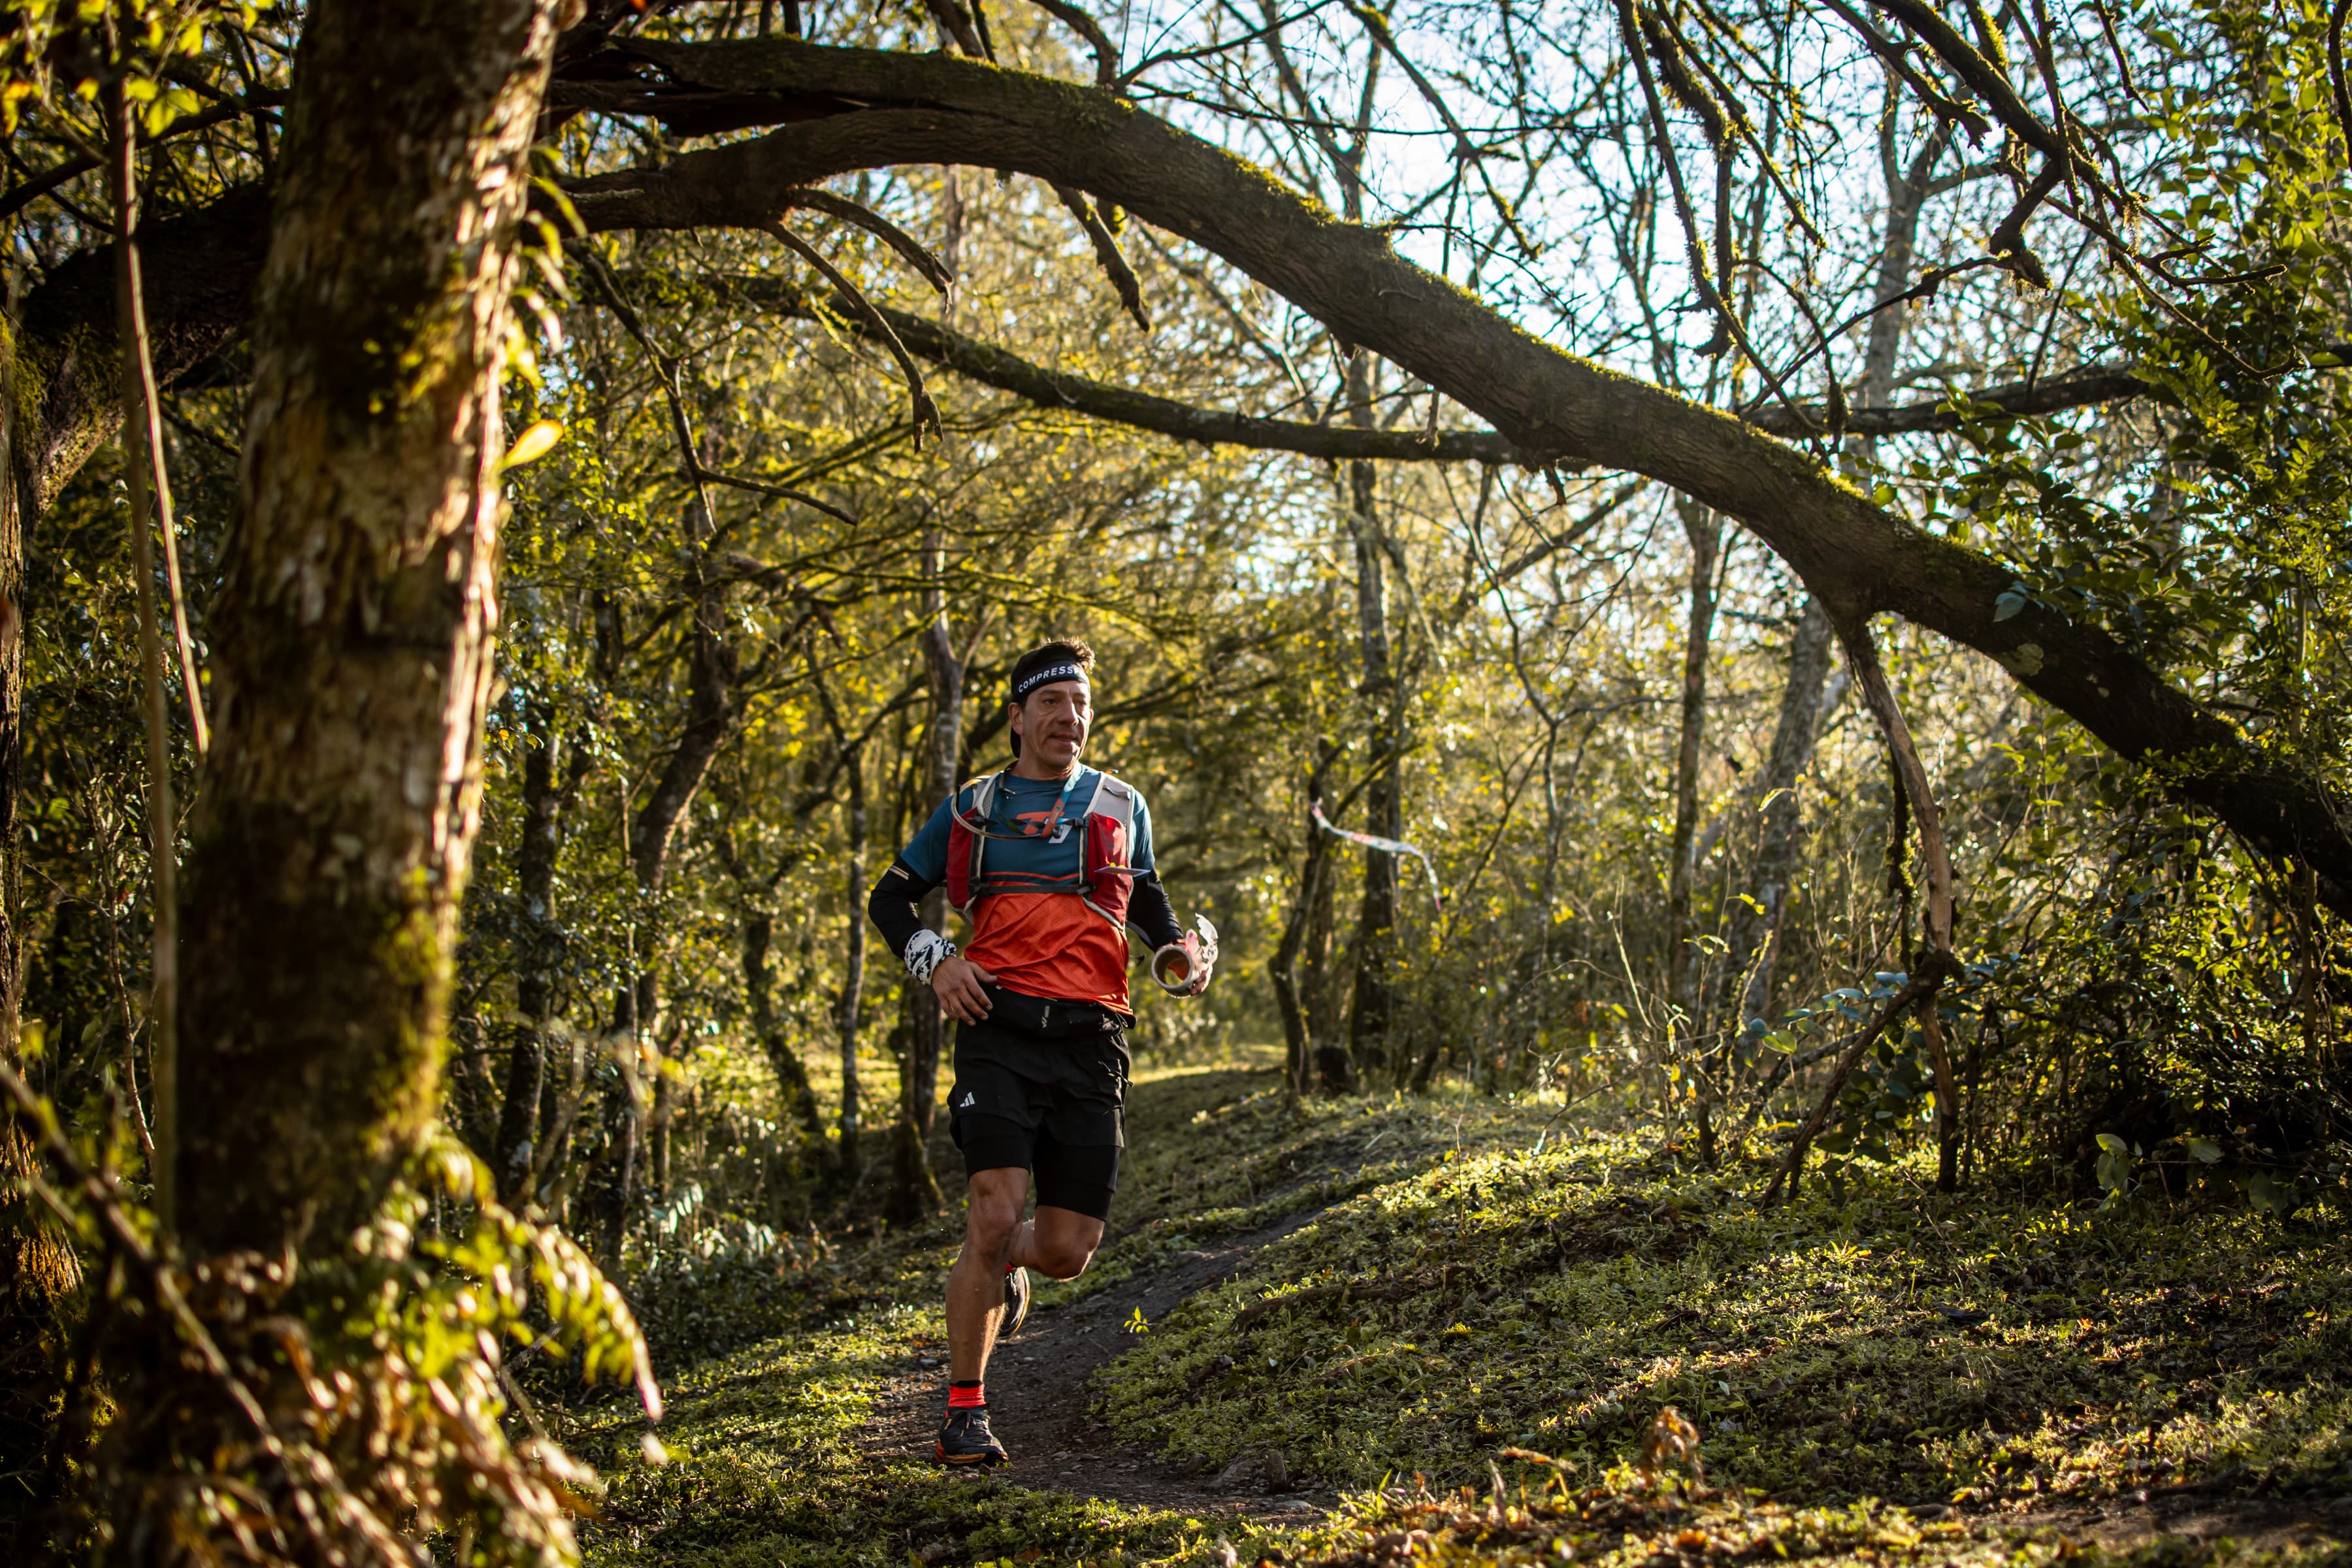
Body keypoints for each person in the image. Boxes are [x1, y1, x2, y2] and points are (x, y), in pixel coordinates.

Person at [867, 638, 1212, 1466]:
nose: (1070, 717)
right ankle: (963, 1415)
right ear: (1018, 717)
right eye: (1052, 703)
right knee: (991, 1210)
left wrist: (1177, 953)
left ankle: (1009, 1268)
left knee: (1064, 1250)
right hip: (999, 1031)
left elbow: (1149, 896)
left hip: (1093, 1041)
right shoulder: (970, 809)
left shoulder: (1123, 804)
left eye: (1081, 704)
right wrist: (937, 960)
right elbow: (889, 898)